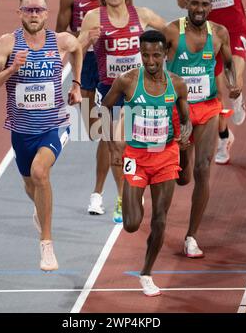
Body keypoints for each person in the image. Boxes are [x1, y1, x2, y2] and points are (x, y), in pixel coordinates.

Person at [0, 0, 83, 271]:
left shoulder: (60, 41)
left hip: (55, 125)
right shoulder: (7, 44)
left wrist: (76, 84)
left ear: (46, 13)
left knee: (40, 173)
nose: (34, 14)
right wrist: (11, 69)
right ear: (20, 13)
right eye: (29, 9)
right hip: (21, 131)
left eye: (39, 9)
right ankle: (39, 209)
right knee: (31, 184)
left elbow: (78, 49)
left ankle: (46, 245)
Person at [101, 30, 191, 296]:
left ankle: (147, 273)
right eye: (145, 55)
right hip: (136, 157)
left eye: (156, 55)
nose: (150, 61)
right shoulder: (127, 81)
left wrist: (185, 134)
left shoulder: (177, 84)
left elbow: (185, 120)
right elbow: (103, 108)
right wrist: (111, 145)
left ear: (165, 55)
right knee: (130, 224)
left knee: (160, 220)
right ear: (140, 54)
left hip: (165, 156)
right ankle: (135, 197)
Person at [79, 0, 167, 223]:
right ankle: (121, 198)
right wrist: (85, 42)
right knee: (116, 144)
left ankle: (135, 188)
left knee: (143, 146)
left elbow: (170, 34)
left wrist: (164, 70)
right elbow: (77, 50)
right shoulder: (94, 18)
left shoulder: (142, 14)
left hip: (140, 92)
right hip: (110, 91)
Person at [165, 0, 240, 257]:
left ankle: (191, 236)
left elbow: (229, 62)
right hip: (178, 109)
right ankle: (182, 158)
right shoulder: (172, 32)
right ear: (186, 4)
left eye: (204, 4)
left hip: (208, 108)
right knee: (183, 177)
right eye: (194, 4)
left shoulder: (219, 33)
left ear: (211, 6)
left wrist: (234, 83)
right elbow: (153, 65)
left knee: (203, 170)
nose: (199, 9)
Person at [177, 0, 246, 165]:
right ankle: (225, 138)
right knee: (214, 94)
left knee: (234, 80)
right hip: (207, 33)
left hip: (234, 28)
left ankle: (239, 96)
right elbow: (179, 0)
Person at [56, 0, 112, 216]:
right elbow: (57, 36)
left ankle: (99, 193)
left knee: (112, 132)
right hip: (85, 64)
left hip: (111, 64)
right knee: (93, 130)